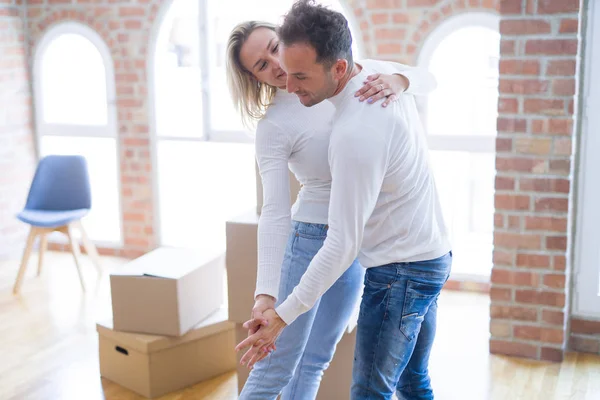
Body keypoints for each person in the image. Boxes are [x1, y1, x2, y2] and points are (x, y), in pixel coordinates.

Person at [235, 1, 452, 399]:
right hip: (317, 239)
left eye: (272, 47)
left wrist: (400, 79)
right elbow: (275, 212)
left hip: (353, 244)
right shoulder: (277, 124)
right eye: (262, 66)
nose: (276, 66)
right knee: (276, 366)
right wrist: (266, 295)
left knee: (318, 357)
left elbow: (428, 78)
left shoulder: (356, 74)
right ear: (255, 78)